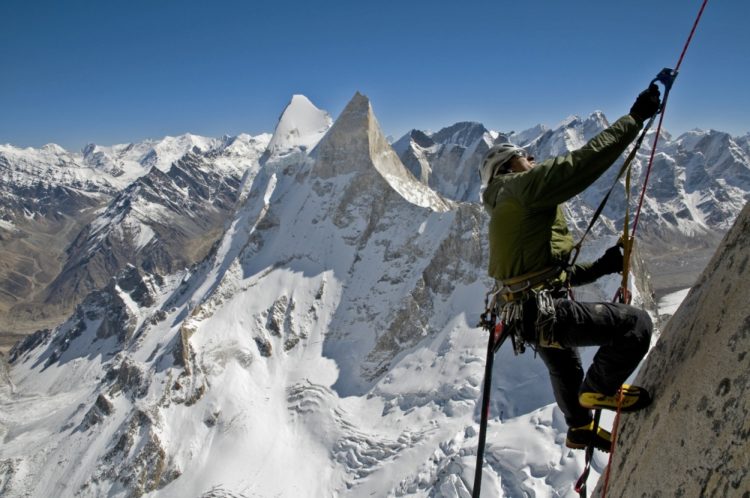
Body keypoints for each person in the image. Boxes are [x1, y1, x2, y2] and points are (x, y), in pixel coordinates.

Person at [479, 85, 661, 452]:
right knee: (636, 325)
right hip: (541, 310)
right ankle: (599, 391)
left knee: (563, 365)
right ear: (507, 167)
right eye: (524, 155)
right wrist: (634, 120)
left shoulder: (506, 204)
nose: (532, 158)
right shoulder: (519, 188)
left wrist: (602, 266)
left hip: (526, 312)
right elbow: (578, 165)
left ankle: (579, 428)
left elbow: (547, 275)